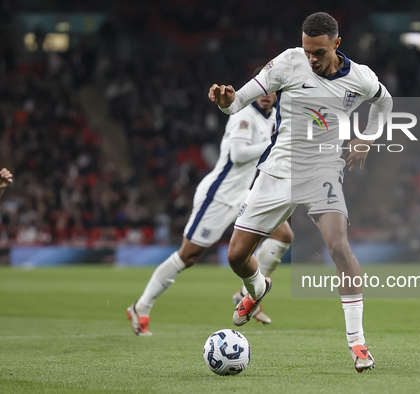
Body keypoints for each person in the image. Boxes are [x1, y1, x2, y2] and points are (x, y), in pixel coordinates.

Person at [208, 12, 392, 372]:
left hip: (323, 168)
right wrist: (225, 99)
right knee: (236, 256)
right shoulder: (289, 62)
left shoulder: (361, 78)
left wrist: (367, 138)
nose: (312, 58)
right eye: (308, 50)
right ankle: (257, 289)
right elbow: (236, 103)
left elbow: (384, 103)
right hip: (278, 169)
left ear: (337, 45)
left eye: (319, 52)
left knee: (339, 246)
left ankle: (357, 343)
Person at [127, 86, 293, 336]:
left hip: (244, 193)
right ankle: (141, 307)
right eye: (264, 90)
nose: (267, 95)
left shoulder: (272, 117)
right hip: (219, 195)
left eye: (272, 91)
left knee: (283, 235)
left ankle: (250, 293)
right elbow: (237, 155)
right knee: (188, 256)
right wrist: (273, 143)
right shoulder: (244, 115)